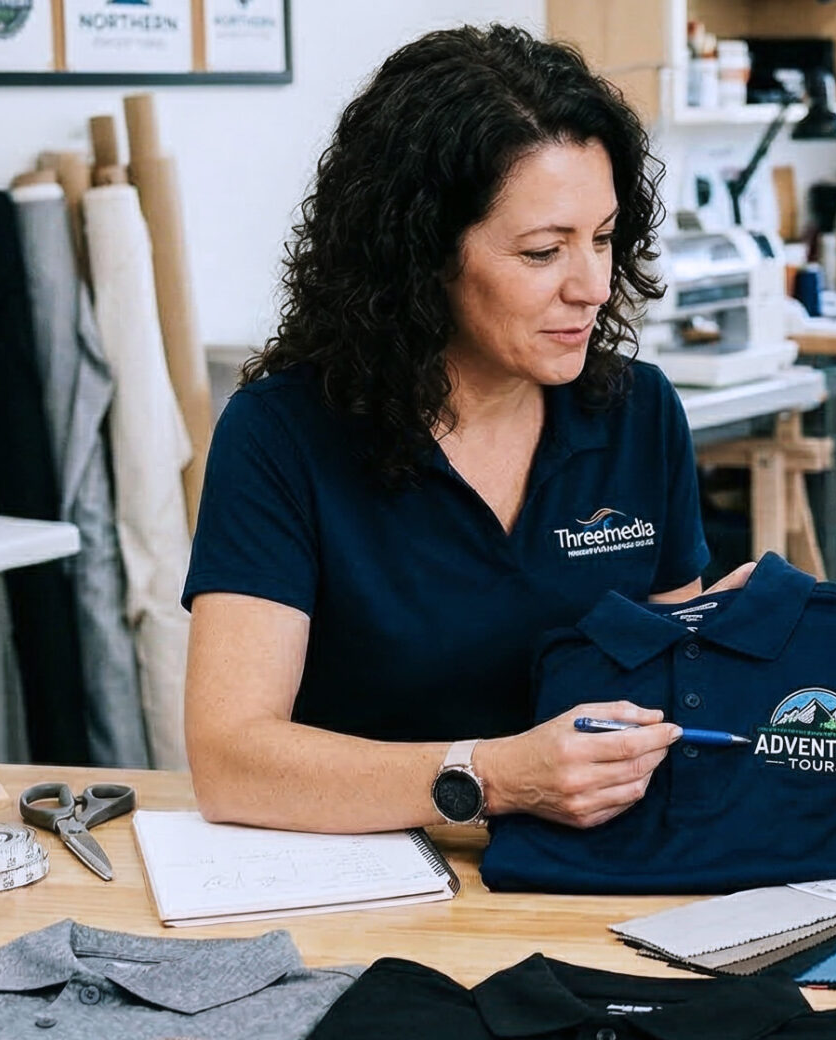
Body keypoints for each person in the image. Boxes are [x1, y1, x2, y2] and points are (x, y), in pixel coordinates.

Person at [181, 26, 748, 835]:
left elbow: (671, 699)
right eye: (544, 252)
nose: (593, 285)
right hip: (375, 873)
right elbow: (231, 761)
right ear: (422, 255)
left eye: (602, 238)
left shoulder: (638, 412)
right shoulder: (282, 435)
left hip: (596, 865)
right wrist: (492, 776)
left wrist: (725, 650)